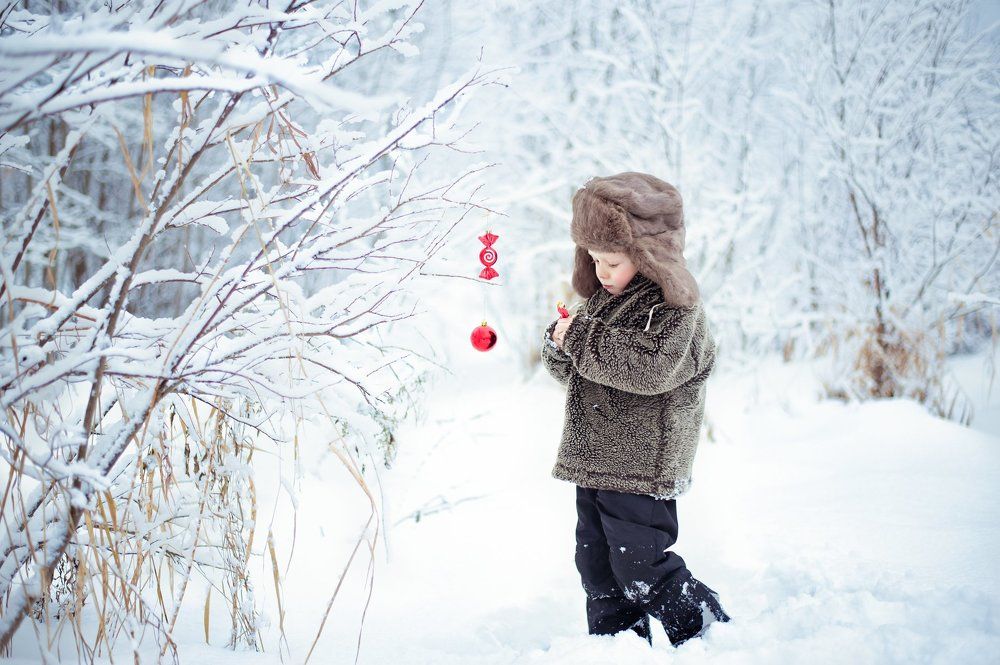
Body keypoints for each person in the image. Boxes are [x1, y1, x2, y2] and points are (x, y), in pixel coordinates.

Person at [540, 171, 731, 648]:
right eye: (594, 260)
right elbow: (581, 376)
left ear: (647, 256)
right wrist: (562, 346)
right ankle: (616, 647)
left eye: (612, 260)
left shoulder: (676, 310)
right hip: (595, 459)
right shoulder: (604, 303)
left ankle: (705, 629)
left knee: (639, 563)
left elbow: (649, 369)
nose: (601, 272)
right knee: (597, 562)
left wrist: (582, 340)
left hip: (643, 465)